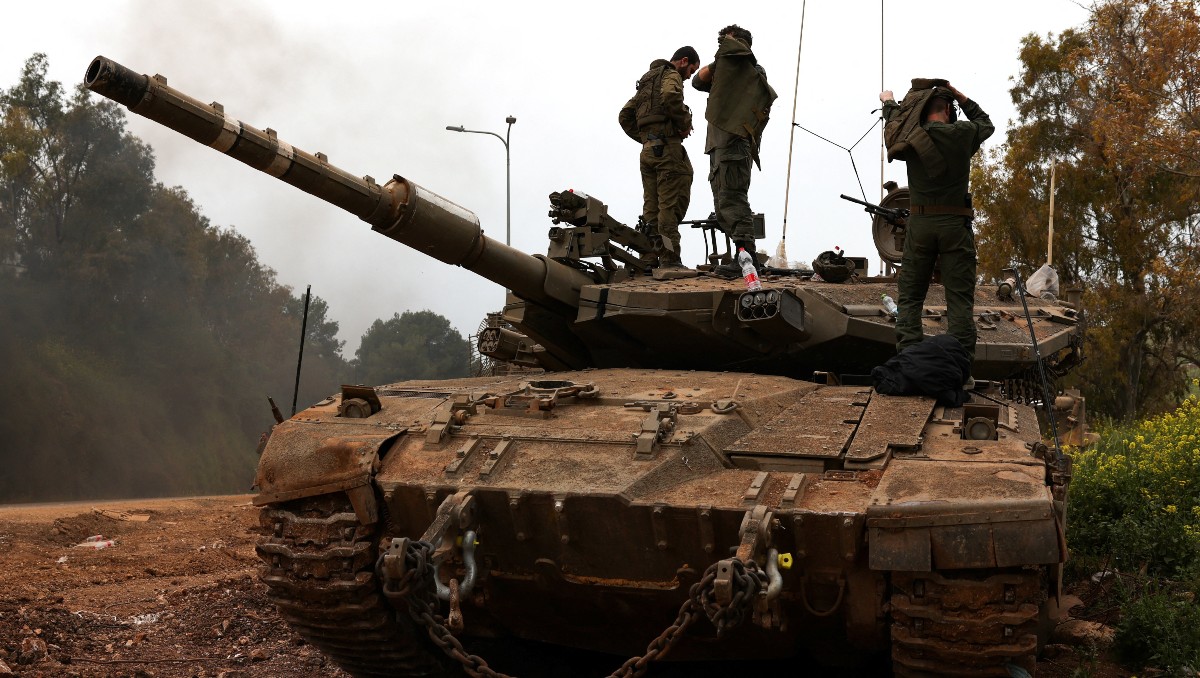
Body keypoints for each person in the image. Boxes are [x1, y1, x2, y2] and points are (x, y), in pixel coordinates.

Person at [879, 83, 994, 373]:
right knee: (959, 302)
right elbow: (986, 124)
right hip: (955, 226)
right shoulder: (963, 134)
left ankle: (908, 364)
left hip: (920, 226)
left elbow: (893, 127)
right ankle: (960, 372)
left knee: (910, 299)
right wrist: (962, 97)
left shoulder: (910, 136)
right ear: (948, 109)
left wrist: (889, 102)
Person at [690, 24, 776, 276]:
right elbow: (697, 81)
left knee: (733, 200)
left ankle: (746, 258)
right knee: (722, 205)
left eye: (726, 42)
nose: (721, 48)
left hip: (734, 144)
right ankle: (743, 257)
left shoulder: (750, 71)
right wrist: (719, 62)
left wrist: (729, 56)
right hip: (719, 145)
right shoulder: (724, 72)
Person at [619, 46, 701, 269]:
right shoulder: (671, 75)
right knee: (670, 206)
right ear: (684, 61)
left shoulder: (648, 80)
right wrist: (684, 124)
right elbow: (671, 95)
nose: (689, 77)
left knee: (651, 208)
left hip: (647, 153)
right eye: (691, 71)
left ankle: (648, 257)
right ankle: (669, 258)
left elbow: (625, 115)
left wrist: (647, 138)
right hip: (667, 152)